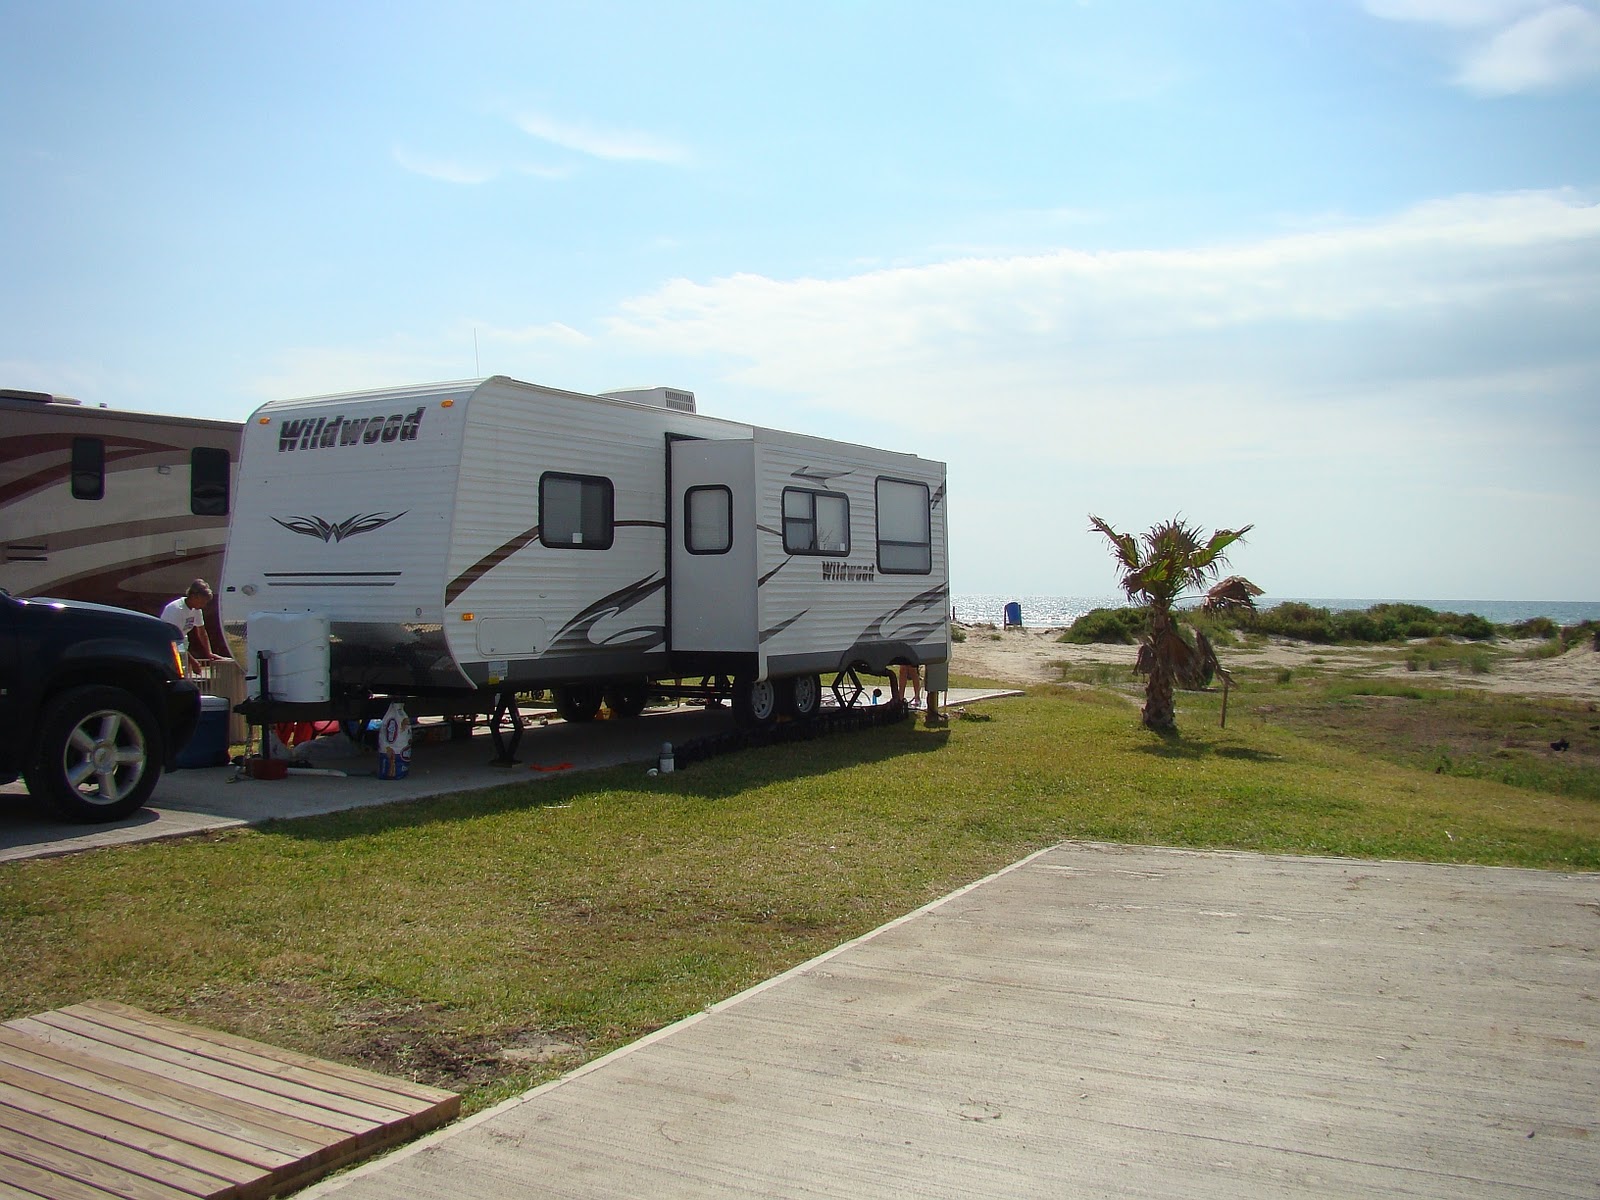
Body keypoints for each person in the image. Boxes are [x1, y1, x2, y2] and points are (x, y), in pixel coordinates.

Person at [161, 579, 224, 671]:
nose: (203, 605)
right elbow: (173, 640)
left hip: (181, 646)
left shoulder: (196, 609)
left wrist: (209, 653)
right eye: (202, 602)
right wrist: (192, 661)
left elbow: (202, 632)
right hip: (167, 647)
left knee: (184, 673)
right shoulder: (176, 610)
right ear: (194, 596)